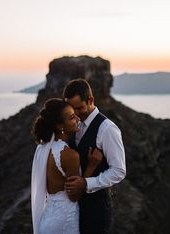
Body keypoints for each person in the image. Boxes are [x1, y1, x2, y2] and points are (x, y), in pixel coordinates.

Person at [31, 98, 103, 234]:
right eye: (71, 117)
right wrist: (91, 166)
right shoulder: (70, 155)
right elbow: (74, 196)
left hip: (47, 219)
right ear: (60, 126)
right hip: (64, 222)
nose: (77, 119)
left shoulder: (44, 147)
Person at [63, 78, 126, 234]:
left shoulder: (108, 129)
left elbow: (119, 171)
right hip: (73, 207)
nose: (75, 114)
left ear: (90, 100)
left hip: (96, 209)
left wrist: (86, 183)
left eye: (79, 108)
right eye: (72, 109)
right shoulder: (73, 124)